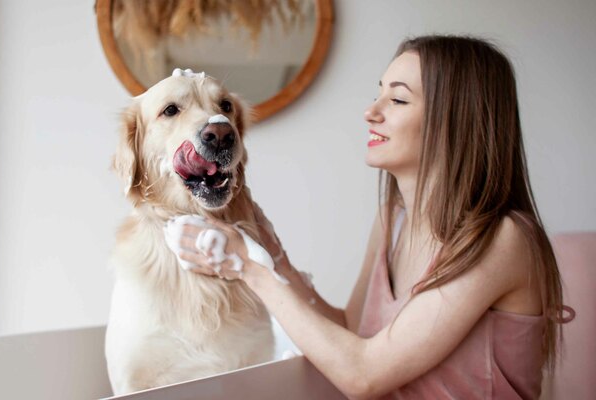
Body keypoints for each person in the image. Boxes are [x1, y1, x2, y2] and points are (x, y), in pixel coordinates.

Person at [175, 35, 572, 399]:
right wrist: (274, 257)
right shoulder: (392, 221)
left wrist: (249, 267)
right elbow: (352, 331)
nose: (370, 112)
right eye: (378, 93)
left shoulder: (503, 239)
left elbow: (363, 375)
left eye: (397, 100)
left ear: (456, 118)